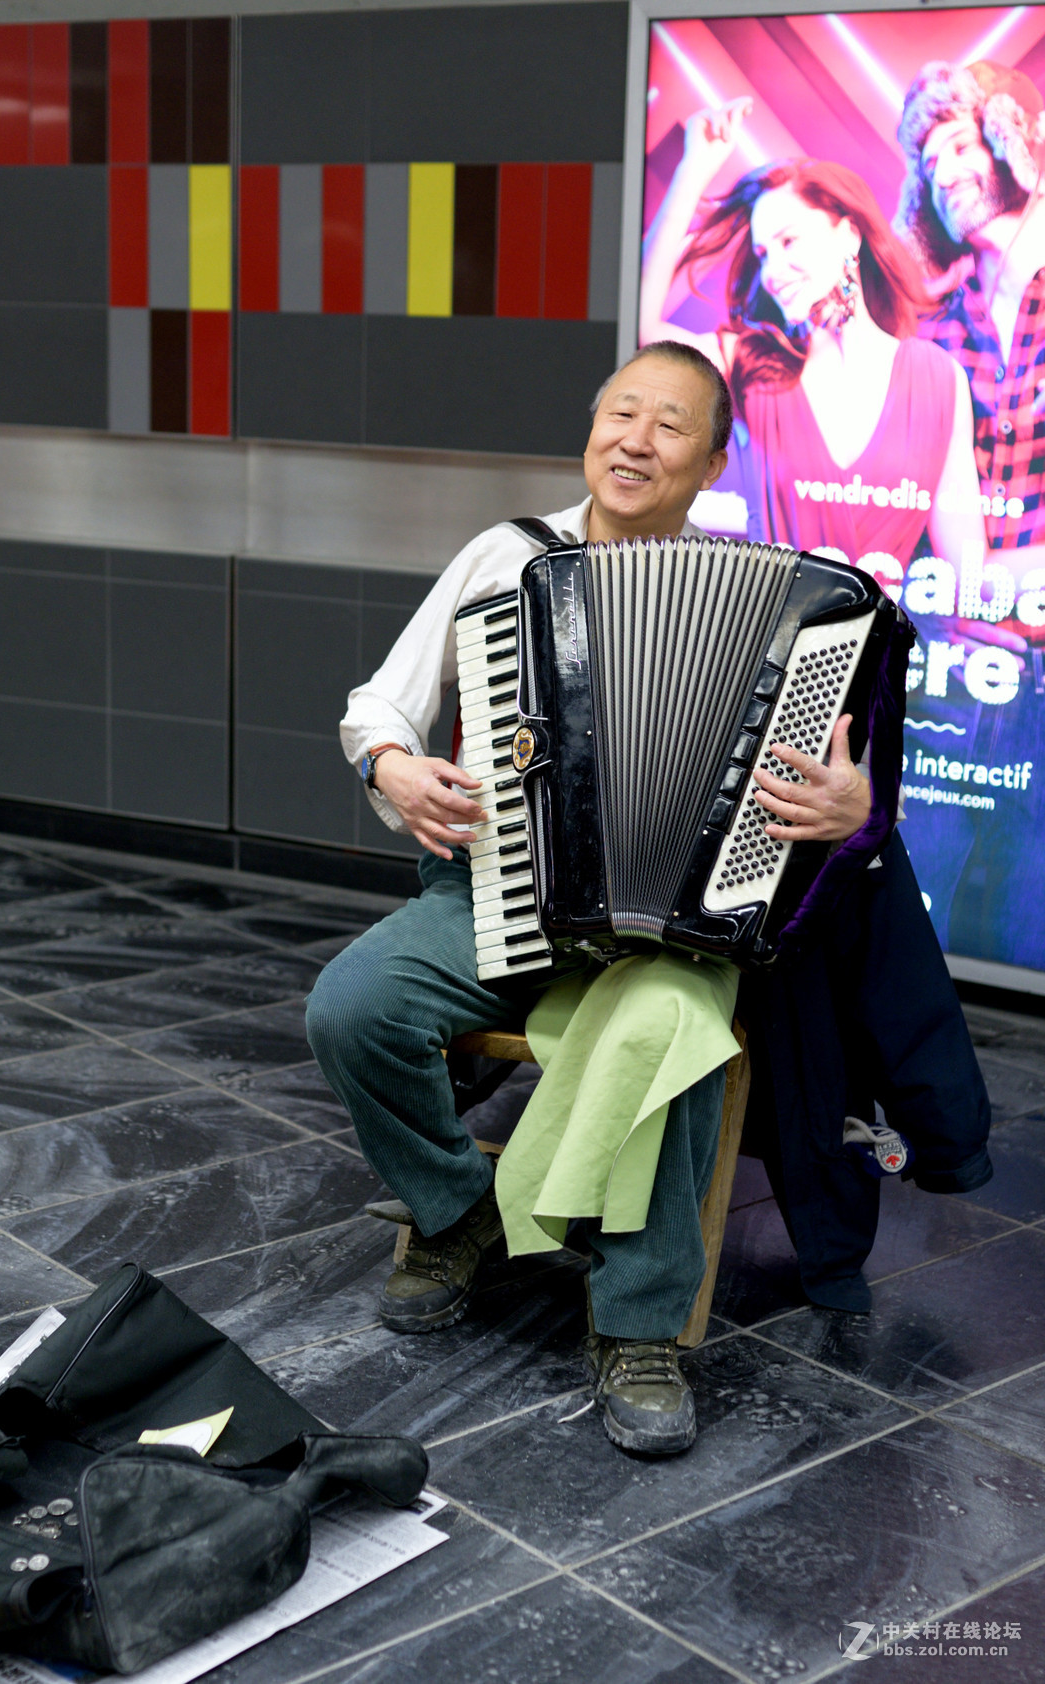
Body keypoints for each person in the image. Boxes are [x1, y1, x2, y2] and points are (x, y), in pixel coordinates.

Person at [306, 342, 881, 1458]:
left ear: (714, 461)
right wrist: (391, 765)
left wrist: (851, 806)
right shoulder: (505, 556)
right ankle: (455, 1210)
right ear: (591, 429)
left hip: (674, 920)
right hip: (497, 886)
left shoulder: (781, 610)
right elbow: (379, 700)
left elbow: (847, 782)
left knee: (675, 1028)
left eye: (671, 426)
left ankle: (639, 1326)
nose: (637, 440)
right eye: (623, 414)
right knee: (354, 1007)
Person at [638, 100, 988, 576]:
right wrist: (693, 169)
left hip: (886, 646)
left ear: (849, 234)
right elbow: (643, 326)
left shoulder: (938, 377)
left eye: (789, 241)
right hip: (766, 644)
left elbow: (967, 570)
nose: (773, 272)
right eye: (763, 254)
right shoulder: (749, 364)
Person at [893, 59, 1045, 967]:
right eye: (929, 161)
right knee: (922, 872)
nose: (945, 173)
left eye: (958, 145)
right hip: (963, 644)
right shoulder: (932, 322)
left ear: (1004, 141)